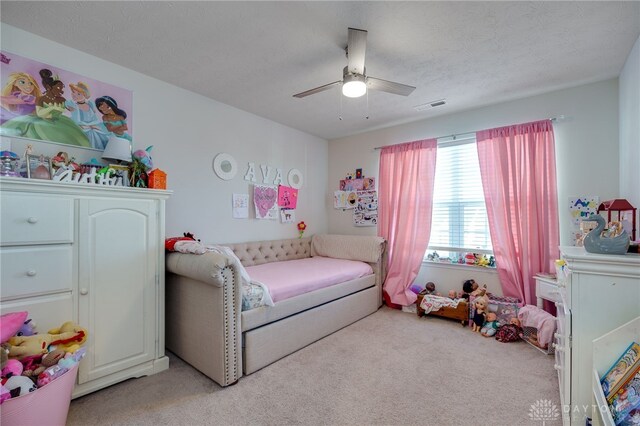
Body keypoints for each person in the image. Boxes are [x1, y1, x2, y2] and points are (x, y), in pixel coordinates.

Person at [1, 69, 90, 147]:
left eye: (31, 83)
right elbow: (12, 101)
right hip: (32, 120)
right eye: (22, 82)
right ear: (15, 83)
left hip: (47, 119)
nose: (28, 86)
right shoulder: (23, 97)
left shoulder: (34, 98)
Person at [65, 82, 109, 149]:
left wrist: (93, 126)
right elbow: (76, 120)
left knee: (99, 135)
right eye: (73, 92)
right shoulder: (73, 105)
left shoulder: (90, 104)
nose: (74, 95)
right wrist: (86, 126)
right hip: (82, 127)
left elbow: (94, 118)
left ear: (85, 95)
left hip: (93, 127)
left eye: (78, 94)